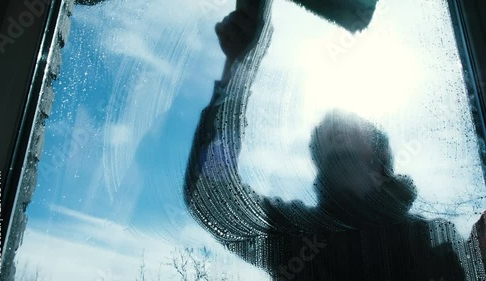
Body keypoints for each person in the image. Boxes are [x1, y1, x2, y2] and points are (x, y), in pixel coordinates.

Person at [184, 2, 486, 280]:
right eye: (327, 127)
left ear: (380, 151)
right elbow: (209, 195)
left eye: (351, 124)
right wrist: (237, 69)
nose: (336, 127)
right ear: (317, 154)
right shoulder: (295, 238)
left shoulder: (437, 238)